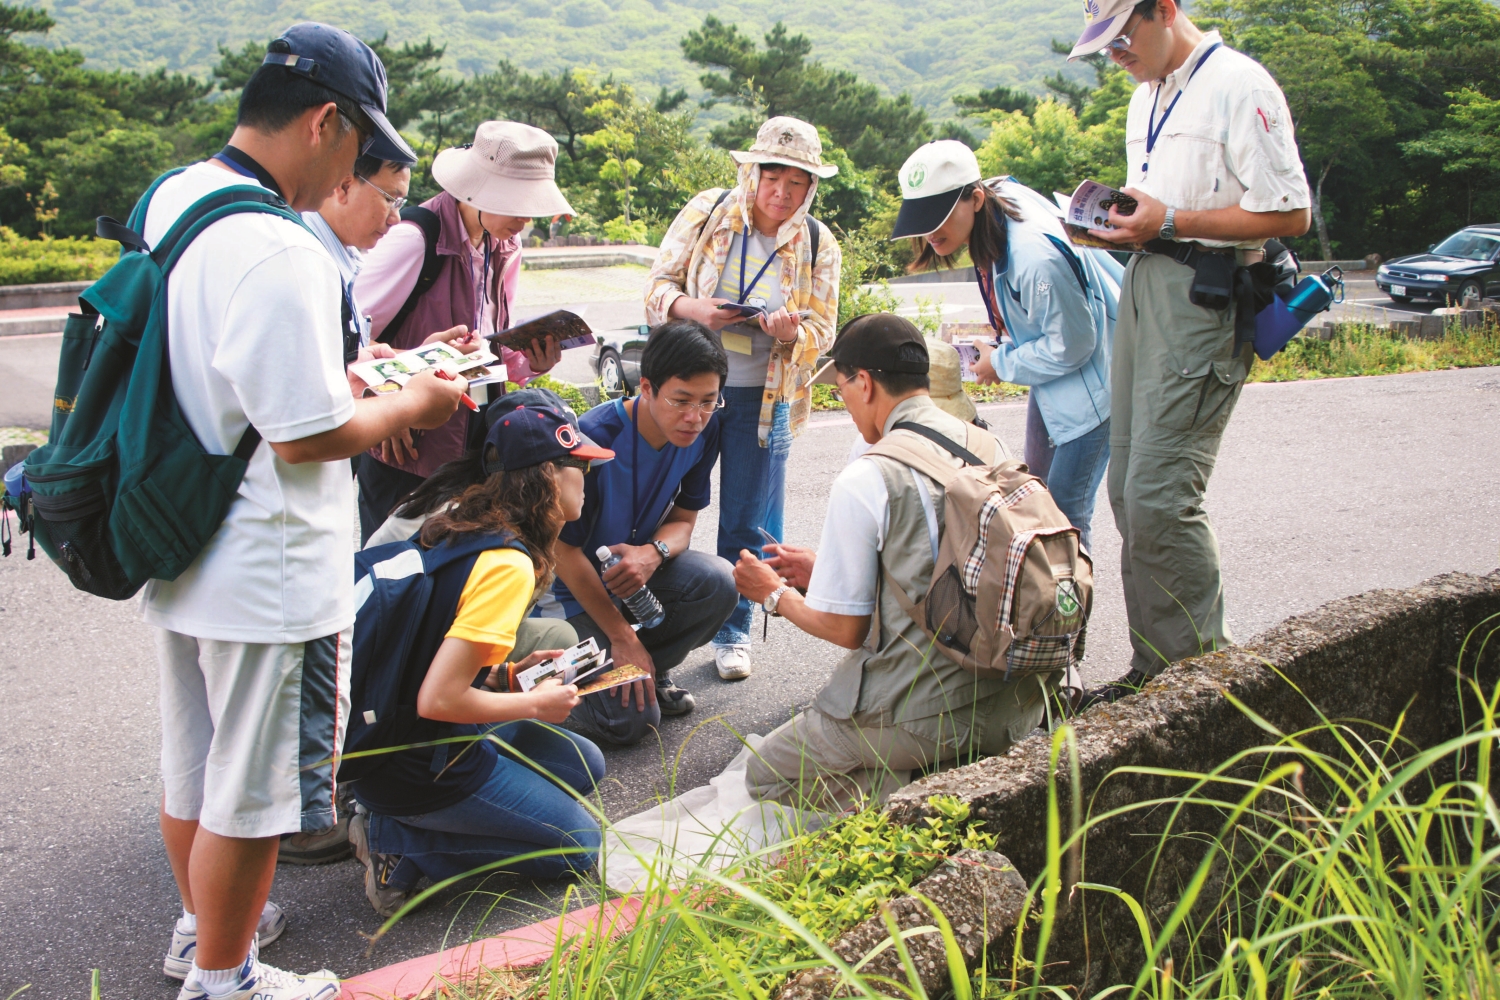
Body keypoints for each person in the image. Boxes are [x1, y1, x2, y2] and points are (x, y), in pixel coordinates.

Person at [144, 23, 467, 1000]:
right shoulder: (280, 249)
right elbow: (307, 432)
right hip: (271, 564)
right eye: (354, 143)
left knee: (194, 762)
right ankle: (226, 979)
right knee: (253, 792)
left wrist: (367, 371)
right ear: (327, 122)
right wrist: (421, 400)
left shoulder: (178, 200)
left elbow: (231, 369)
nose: (347, 171)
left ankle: (201, 935)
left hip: (178, 534)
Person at [1068, 0, 1311, 704]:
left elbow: (1289, 212)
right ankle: (1157, 672)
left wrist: (1171, 219)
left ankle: (1206, 685)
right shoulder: (1145, 97)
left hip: (1204, 298)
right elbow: (1159, 207)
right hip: (1148, 282)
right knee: (1126, 492)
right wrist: (1128, 225)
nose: (1116, 58)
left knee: (1162, 497)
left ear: (1166, 10)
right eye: (1104, 48)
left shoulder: (1241, 85)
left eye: (1122, 40)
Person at [732, 315, 1048, 811]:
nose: (846, 405)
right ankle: (953, 766)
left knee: (765, 774)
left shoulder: (869, 475)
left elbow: (846, 630)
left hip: (925, 709)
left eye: (840, 391)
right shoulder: (991, 444)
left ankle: (919, 798)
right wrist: (825, 573)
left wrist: (773, 593)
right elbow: (947, 567)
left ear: (864, 382)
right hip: (1016, 694)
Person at [347, 395, 612, 916]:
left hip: (402, 739)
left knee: (584, 763)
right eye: (579, 464)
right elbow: (439, 698)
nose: (587, 475)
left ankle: (406, 818)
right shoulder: (507, 565)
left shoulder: (472, 523)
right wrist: (535, 706)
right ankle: (399, 843)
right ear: (548, 478)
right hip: (418, 760)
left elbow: (436, 658)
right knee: (578, 846)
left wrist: (508, 678)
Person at [644, 116, 842, 682]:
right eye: (772, 174)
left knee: (747, 521)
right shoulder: (709, 212)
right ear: (751, 172)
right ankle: (648, 621)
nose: (782, 191)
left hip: (764, 396)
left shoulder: (818, 242)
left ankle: (733, 633)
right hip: (688, 388)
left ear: (811, 187)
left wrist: (790, 335)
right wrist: (694, 311)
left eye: (797, 180)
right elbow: (658, 287)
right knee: (657, 505)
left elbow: (823, 331)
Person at [351, 120, 573, 542]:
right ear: (479, 192)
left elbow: (491, 346)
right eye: (517, 204)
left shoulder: (505, 245)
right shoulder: (415, 239)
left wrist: (528, 361)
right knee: (395, 567)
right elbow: (348, 339)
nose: (525, 220)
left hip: (473, 437)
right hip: (409, 448)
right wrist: (388, 396)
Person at [891, 141, 1117, 552]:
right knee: (1035, 498)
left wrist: (1003, 362)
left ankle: (1068, 610)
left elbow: (1075, 346)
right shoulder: (995, 204)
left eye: (939, 216)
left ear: (975, 199)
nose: (930, 231)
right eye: (922, 218)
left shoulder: (1034, 258)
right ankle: (1042, 605)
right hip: (1054, 384)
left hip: (1093, 390)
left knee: (1065, 513)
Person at [551, 320, 740, 742]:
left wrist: (652, 552)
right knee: (629, 724)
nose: (695, 418)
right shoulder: (594, 438)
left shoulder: (704, 430)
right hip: (566, 595)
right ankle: (540, 696)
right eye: (681, 400)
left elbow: (684, 522)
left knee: (719, 582)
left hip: (632, 578)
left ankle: (644, 672)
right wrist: (621, 636)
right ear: (647, 388)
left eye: (710, 401)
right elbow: (562, 554)